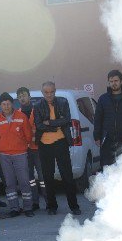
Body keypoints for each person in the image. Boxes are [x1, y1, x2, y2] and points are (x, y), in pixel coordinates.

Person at [34, 81, 81, 215]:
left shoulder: (63, 102)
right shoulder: (37, 106)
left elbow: (66, 120)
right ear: (42, 93)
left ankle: (74, 206)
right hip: (44, 145)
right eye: (46, 92)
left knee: (67, 176)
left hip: (61, 142)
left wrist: (49, 123)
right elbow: (38, 125)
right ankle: (51, 207)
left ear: (55, 91)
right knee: (48, 177)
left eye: (51, 92)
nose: (49, 95)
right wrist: (56, 126)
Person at [0, 92, 33, 217]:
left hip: (20, 154)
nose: (6, 106)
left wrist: (23, 146)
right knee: (9, 183)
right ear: (0, 105)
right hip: (3, 155)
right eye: (4, 104)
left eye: (8, 104)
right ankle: (14, 208)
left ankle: (28, 208)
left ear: (12, 104)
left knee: (24, 181)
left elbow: (28, 135)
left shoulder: (21, 116)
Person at [17, 86, 45, 210]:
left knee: (43, 176)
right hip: (24, 151)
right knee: (29, 178)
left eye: (24, 95)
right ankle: (35, 203)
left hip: (38, 148)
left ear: (29, 96)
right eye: (20, 96)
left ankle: (49, 202)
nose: (22, 98)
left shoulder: (37, 110)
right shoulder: (17, 114)